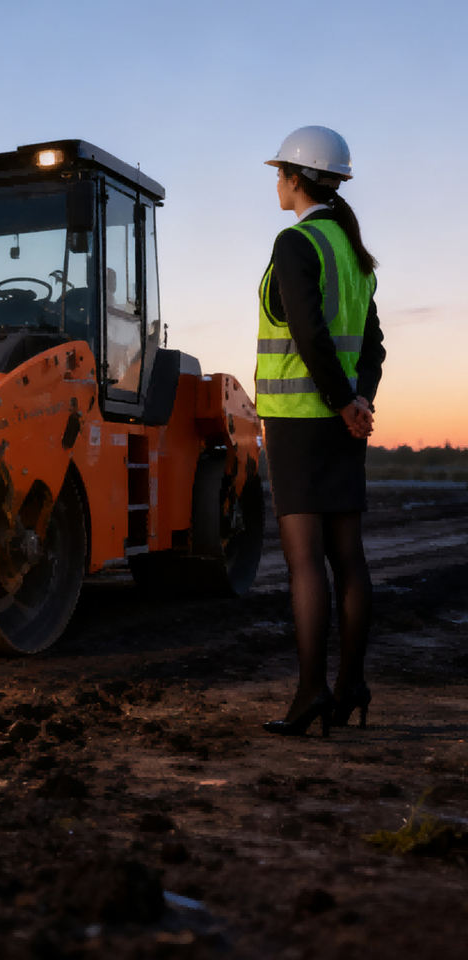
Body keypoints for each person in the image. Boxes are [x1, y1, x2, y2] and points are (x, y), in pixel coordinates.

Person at [256, 125, 386, 736]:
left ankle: (311, 693)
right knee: (348, 558)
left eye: (280, 172)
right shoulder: (354, 254)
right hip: (341, 426)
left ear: (294, 178)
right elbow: (374, 346)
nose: (276, 183)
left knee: (305, 563)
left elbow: (307, 334)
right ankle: (351, 685)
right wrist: (358, 403)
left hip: (299, 424)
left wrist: (339, 402)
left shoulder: (296, 242)